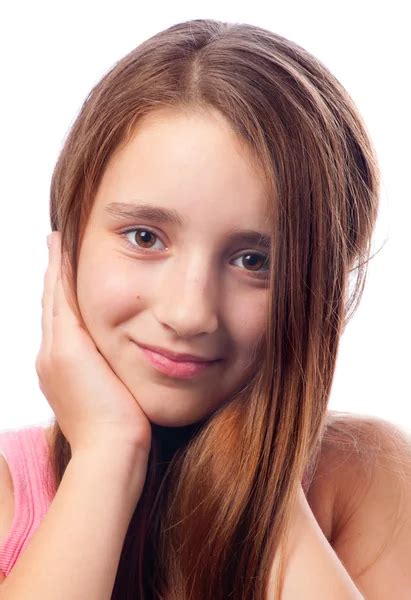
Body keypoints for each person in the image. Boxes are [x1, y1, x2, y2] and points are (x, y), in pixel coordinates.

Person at [0, 18, 410, 599]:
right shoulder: (10, 494)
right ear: (66, 243)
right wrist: (106, 455)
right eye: (145, 237)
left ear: (321, 287)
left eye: (254, 261)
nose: (190, 313)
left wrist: (260, 478)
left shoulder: (365, 479)